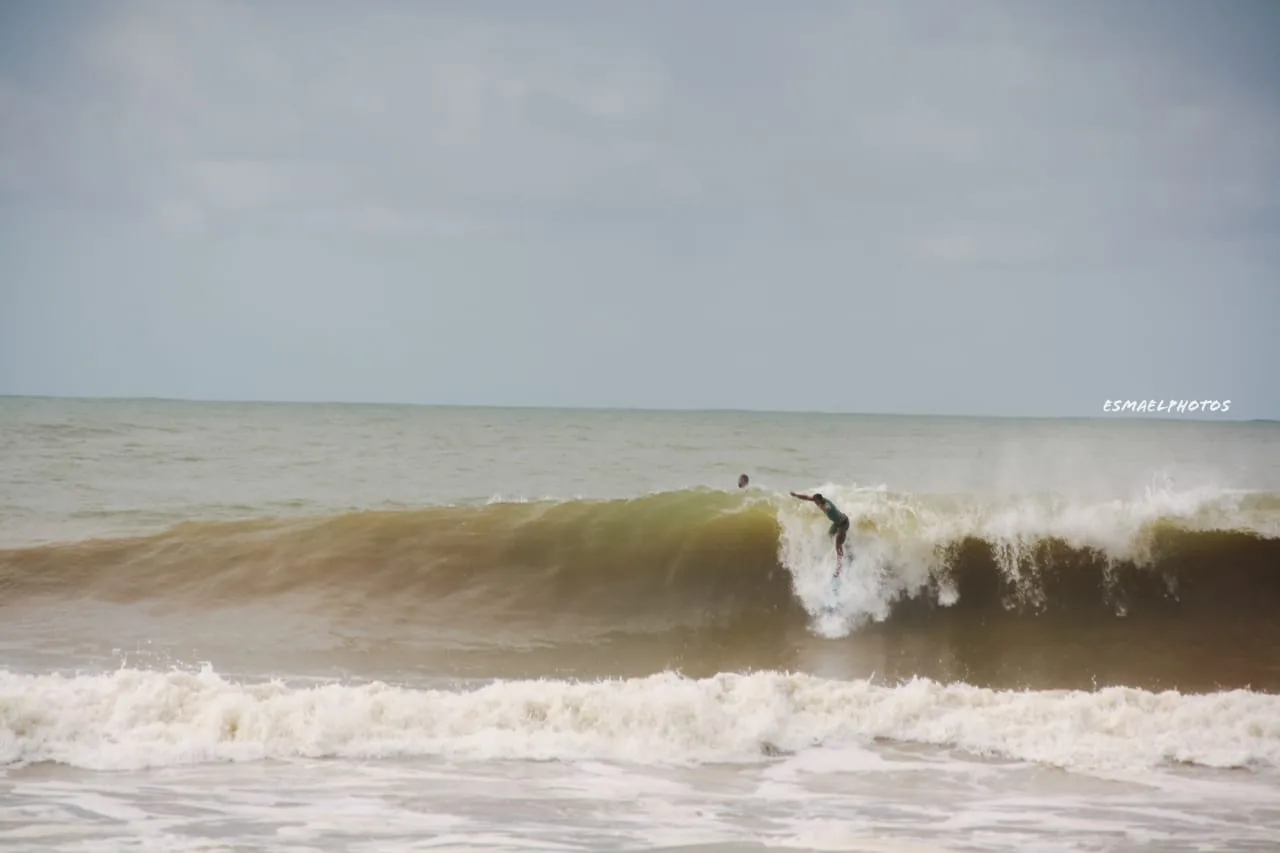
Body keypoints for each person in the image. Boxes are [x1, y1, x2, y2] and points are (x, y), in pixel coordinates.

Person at [790, 491, 850, 573]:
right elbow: (807, 497)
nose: (815, 503)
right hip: (836, 523)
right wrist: (796, 495)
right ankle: (844, 544)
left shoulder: (827, 505)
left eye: (816, 501)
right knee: (830, 535)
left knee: (837, 545)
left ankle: (839, 567)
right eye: (814, 501)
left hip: (843, 524)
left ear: (820, 500)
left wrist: (823, 507)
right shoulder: (819, 500)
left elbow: (828, 507)